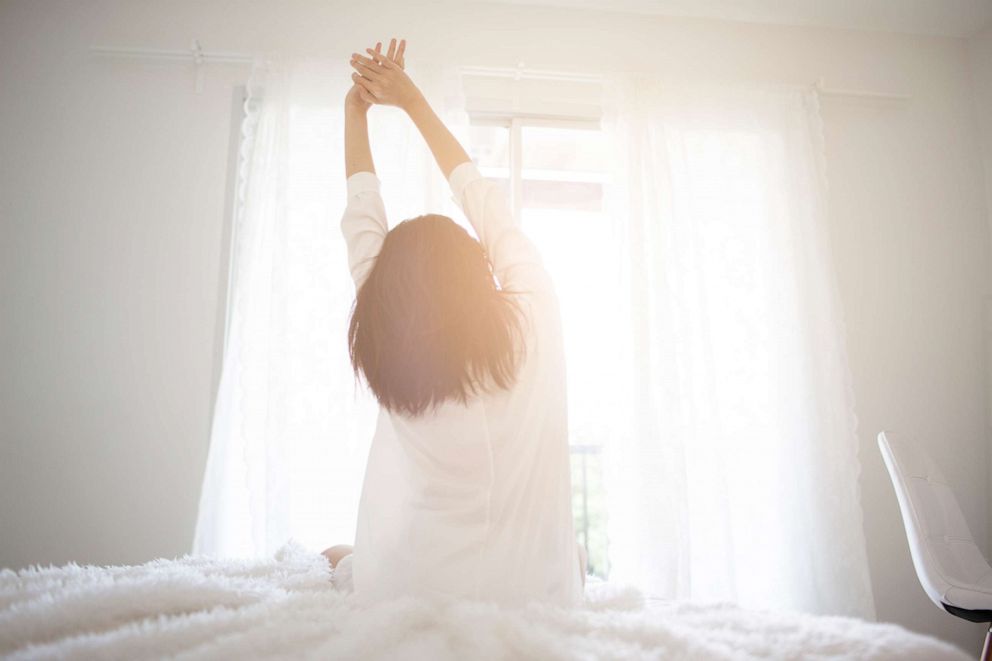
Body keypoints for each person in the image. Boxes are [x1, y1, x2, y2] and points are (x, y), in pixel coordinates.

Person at [323, 38, 585, 607]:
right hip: (532, 594)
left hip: (415, 588)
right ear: (479, 272)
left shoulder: (388, 338)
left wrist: (355, 112)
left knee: (333, 557)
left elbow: (361, 219)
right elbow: (482, 199)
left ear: (388, 294)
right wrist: (412, 102)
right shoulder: (532, 319)